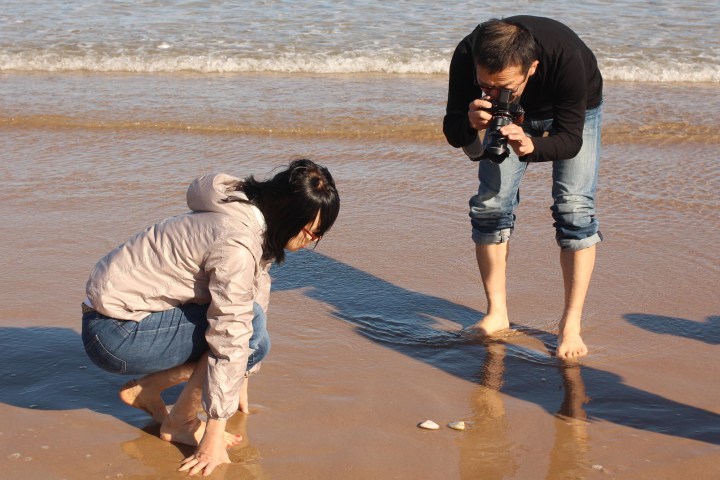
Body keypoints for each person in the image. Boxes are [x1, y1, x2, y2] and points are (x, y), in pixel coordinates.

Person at [81, 159, 340, 476]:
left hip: (118, 321)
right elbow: (230, 334)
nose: (310, 242)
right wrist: (214, 436)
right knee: (247, 330)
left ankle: (147, 391)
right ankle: (181, 423)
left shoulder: (244, 214)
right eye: (311, 233)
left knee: (254, 336)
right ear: (289, 214)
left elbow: (255, 289)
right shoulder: (236, 243)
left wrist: (242, 375)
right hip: (117, 336)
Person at [443, 16, 603, 359]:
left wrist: (532, 146)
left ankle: (570, 324)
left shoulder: (566, 57)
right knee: (490, 205)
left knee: (574, 209)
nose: (494, 93)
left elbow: (571, 141)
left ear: (532, 67)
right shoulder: (468, 53)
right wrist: (469, 122)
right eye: (485, 86)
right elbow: (452, 130)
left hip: (575, 110)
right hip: (516, 114)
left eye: (504, 87)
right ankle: (496, 312)